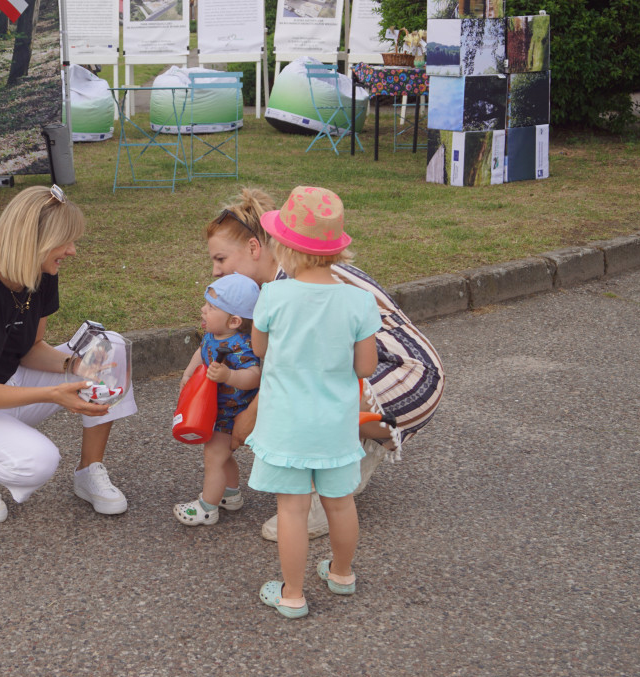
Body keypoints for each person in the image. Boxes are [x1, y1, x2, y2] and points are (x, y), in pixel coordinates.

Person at [205, 188, 445, 541]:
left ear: (256, 249)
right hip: (398, 370)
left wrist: (248, 421)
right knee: (317, 390)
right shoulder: (307, 271)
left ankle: (322, 488)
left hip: (404, 374)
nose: (215, 270)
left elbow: (285, 369)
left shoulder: (289, 290)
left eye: (221, 260)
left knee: (313, 396)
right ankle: (346, 463)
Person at [0, 184, 137, 524]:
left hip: (12, 384)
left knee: (108, 345)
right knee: (39, 463)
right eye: (65, 241)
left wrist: (75, 365)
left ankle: (89, 470)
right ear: (33, 241)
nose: (72, 251)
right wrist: (55, 393)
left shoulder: (41, 273)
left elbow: (29, 351)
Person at [248, 186, 381, 618]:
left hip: (287, 424)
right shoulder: (359, 301)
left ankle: (292, 594)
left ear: (283, 246)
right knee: (340, 502)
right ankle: (342, 574)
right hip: (335, 425)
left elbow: (260, 348)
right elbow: (365, 367)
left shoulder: (272, 296)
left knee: (292, 509)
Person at [173, 273, 261, 526]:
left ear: (234, 321)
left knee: (213, 457)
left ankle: (207, 508)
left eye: (211, 307)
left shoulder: (242, 345)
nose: (203, 310)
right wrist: (189, 375)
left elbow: (254, 376)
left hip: (231, 414)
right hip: (214, 410)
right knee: (222, 456)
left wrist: (229, 375)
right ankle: (230, 494)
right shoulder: (213, 336)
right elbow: (201, 354)